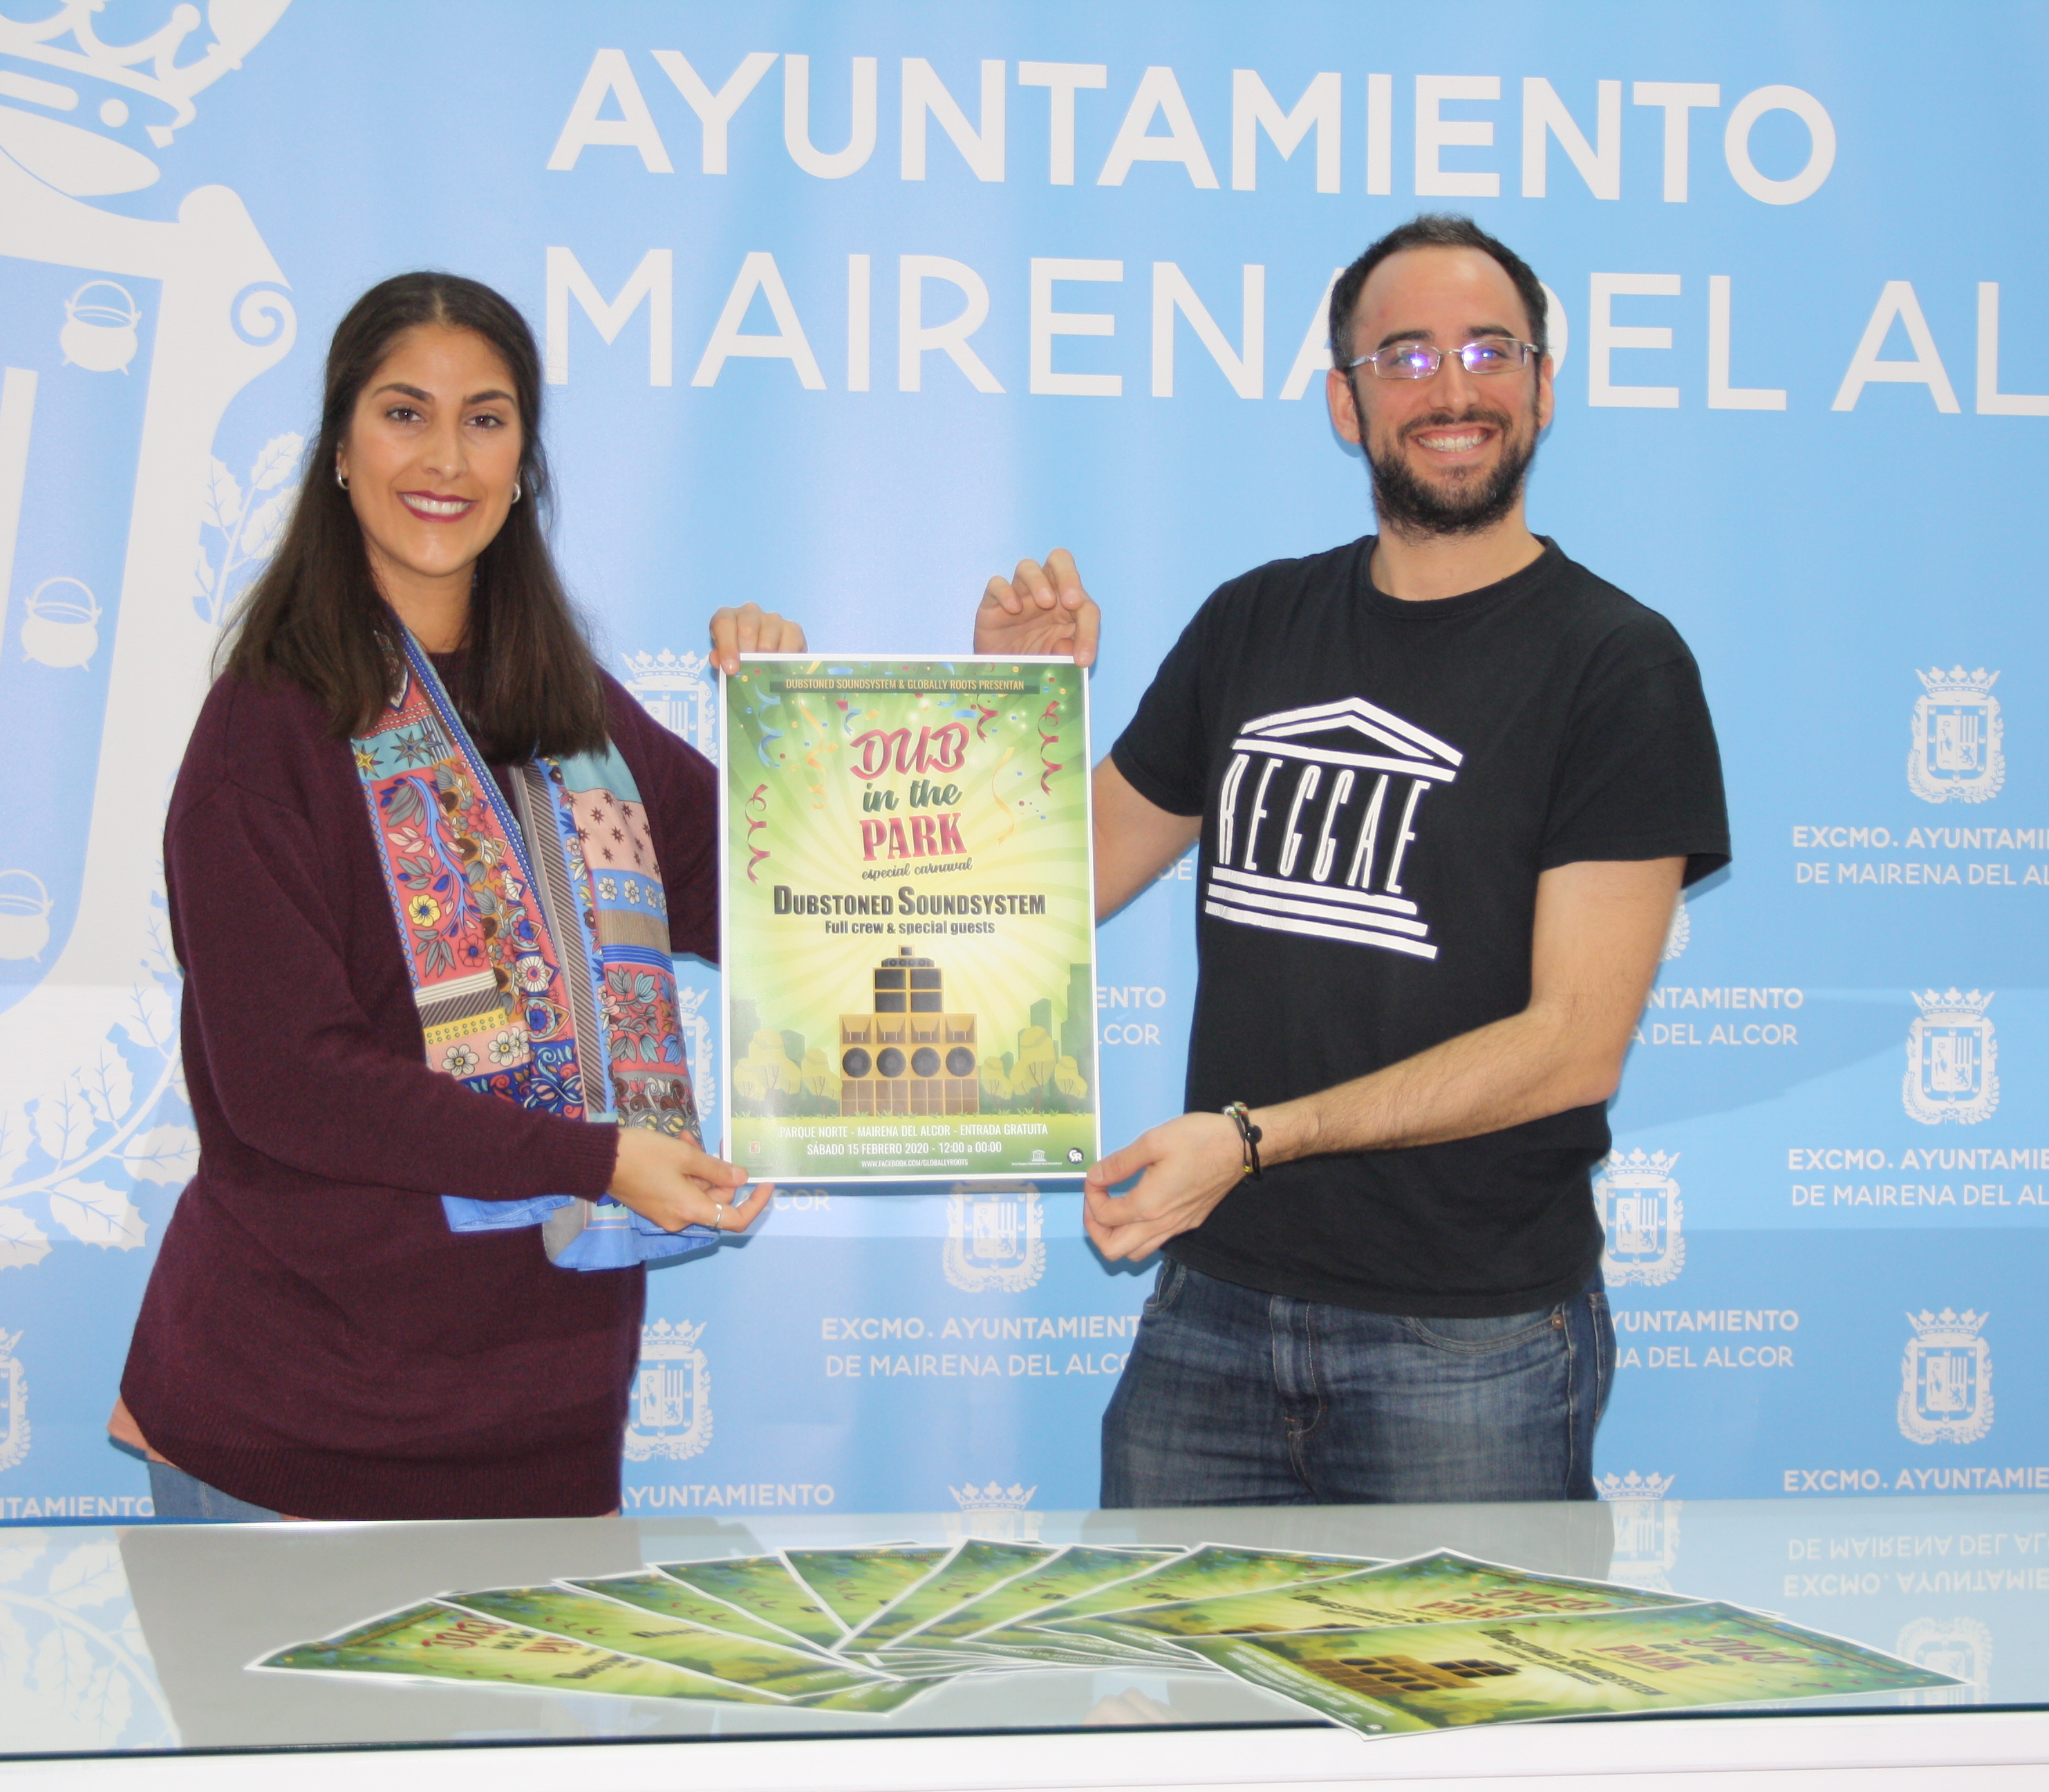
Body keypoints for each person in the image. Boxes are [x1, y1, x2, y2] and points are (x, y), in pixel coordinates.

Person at [115, 272, 1096, 1524]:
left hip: (545, 1420)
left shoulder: (570, 709)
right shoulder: (267, 728)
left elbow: (812, 910)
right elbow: (287, 1083)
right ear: (341, 452)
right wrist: (599, 1159)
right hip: (297, 1426)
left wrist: (956, 715)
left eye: (486, 420)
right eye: (405, 413)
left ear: (523, 461)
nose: (446, 458)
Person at [1007, 214, 1730, 1507]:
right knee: (1170, 1651)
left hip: (1469, 1347)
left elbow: (1573, 1045)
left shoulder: (1618, 666)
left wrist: (1255, 1140)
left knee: (1466, 1662)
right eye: (1406, 356)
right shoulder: (1253, 621)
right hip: (1211, 1315)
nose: (1453, 389)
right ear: (1347, 403)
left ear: (1544, 388)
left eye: (1490, 351)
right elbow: (1042, 891)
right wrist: (1012, 711)